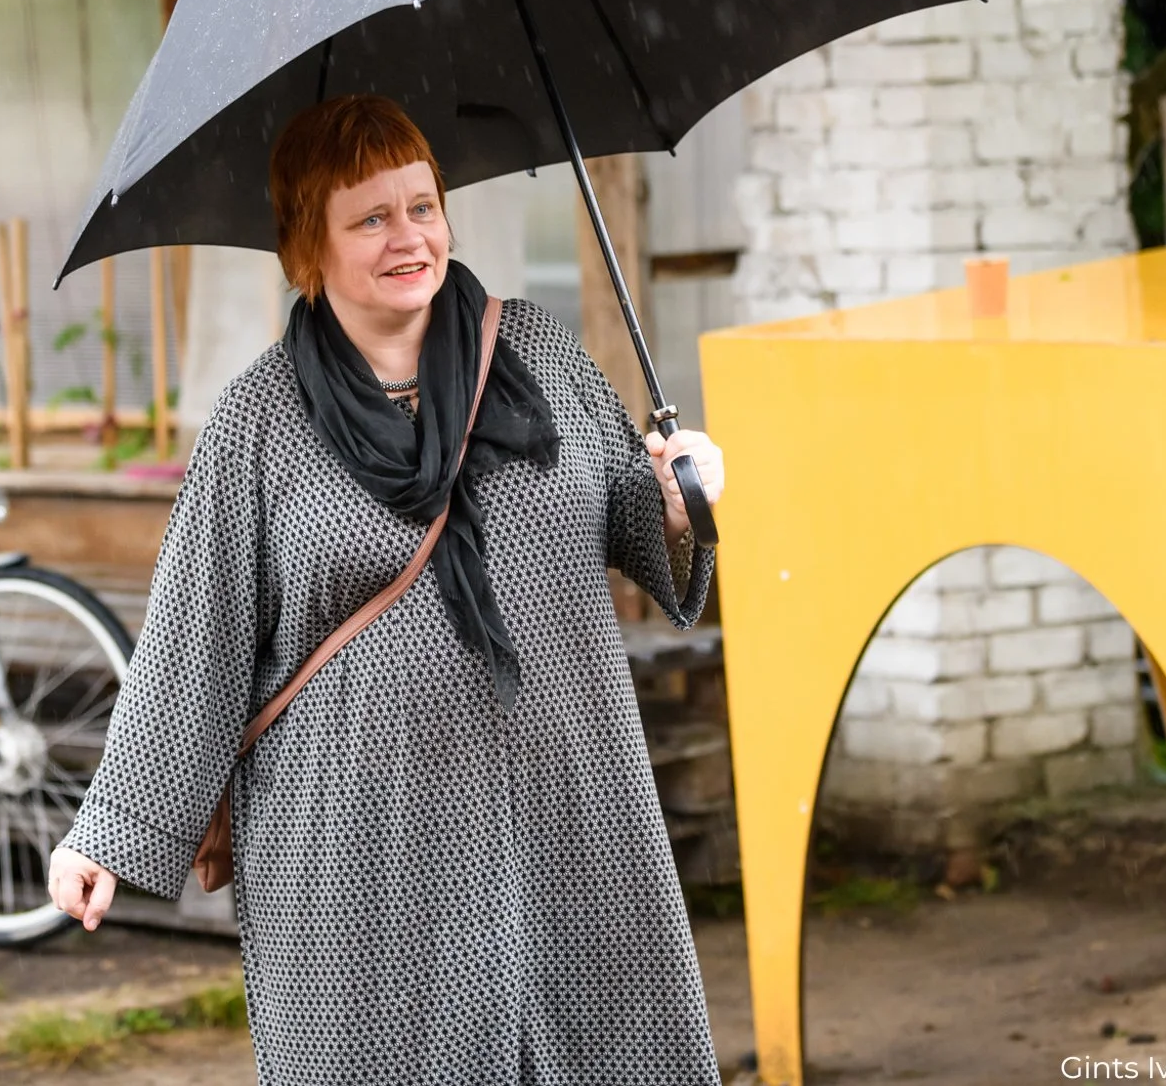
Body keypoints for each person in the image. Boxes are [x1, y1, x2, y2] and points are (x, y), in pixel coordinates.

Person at [48, 94, 727, 1085]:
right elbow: (194, 640)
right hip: (365, 845)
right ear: (307, 248)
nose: (409, 237)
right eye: (370, 217)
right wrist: (109, 831)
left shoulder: (536, 353)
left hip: (565, 810)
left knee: (602, 1048)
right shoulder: (258, 421)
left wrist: (672, 496)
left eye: (422, 206)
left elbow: (629, 516)